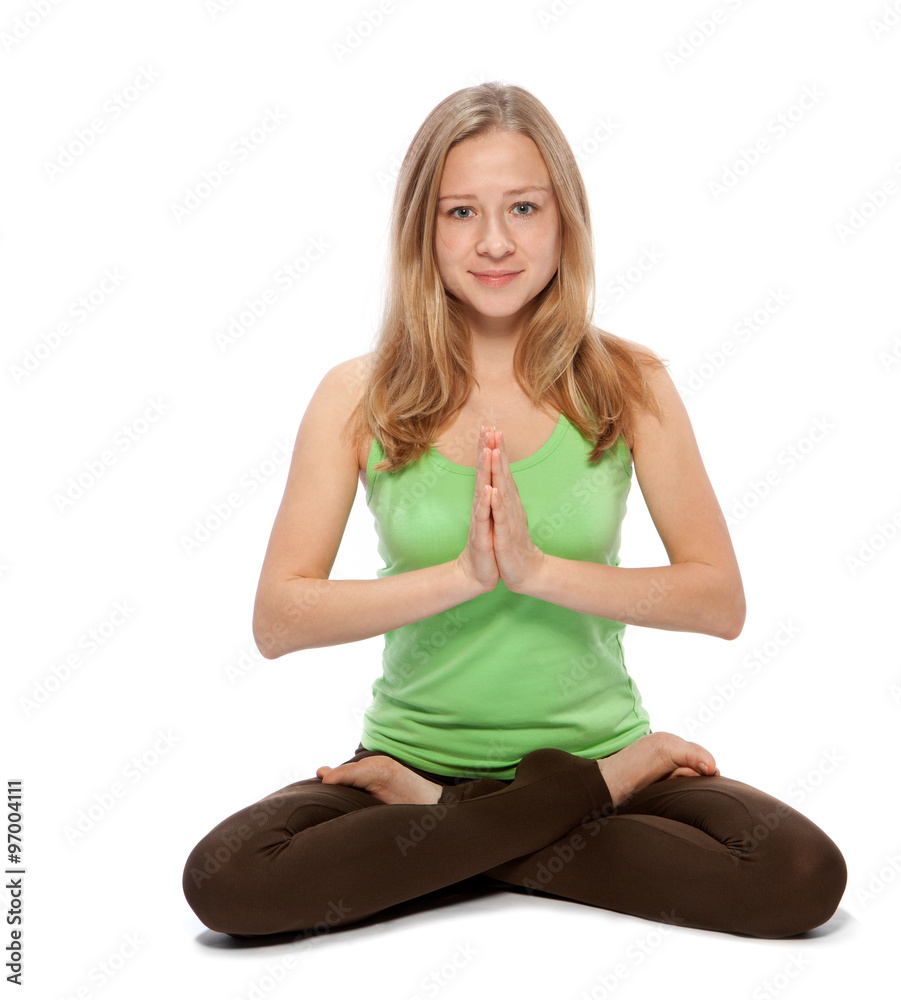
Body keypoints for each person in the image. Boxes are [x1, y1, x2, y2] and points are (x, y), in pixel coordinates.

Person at [182, 82, 847, 941]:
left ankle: (450, 832)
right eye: (461, 212)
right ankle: (534, 812)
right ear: (425, 229)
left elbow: (718, 601)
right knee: (227, 880)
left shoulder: (630, 384)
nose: (494, 241)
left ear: (563, 221)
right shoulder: (356, 396)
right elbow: (280, 619)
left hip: (604, 755)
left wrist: (537, 573)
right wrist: (460, 578)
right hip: (419, 767)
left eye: (524, 208)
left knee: (798, 873)